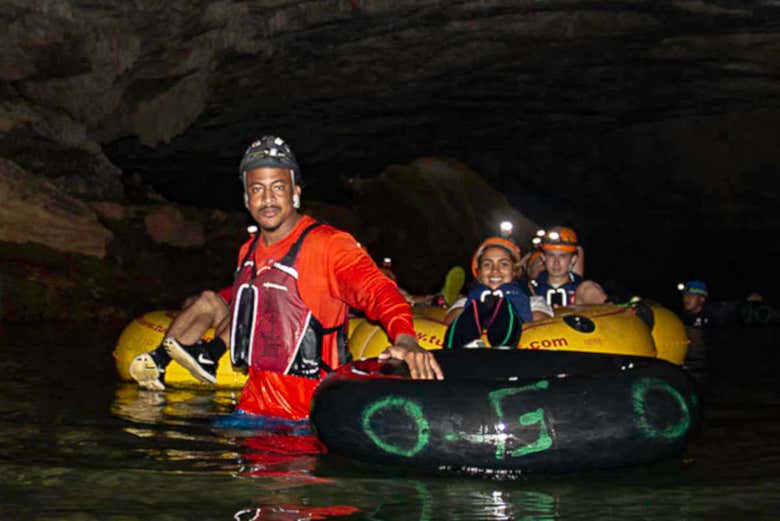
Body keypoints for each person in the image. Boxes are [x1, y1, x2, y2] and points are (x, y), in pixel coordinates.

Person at [222, 136, 443, 419]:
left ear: (295, 192)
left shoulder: (328, 245)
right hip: (251, 411)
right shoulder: (247, 252)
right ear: (246, 199)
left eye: (278, 187)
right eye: (257, 189)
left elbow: (379, 291)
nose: (268, 199)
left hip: (308, 418)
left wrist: (407, 339)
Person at [443, 237, 553, 348]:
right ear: (479, 272)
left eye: (504, 264)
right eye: (487, 264)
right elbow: (449, 321)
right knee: (475, 308)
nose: (495, 270)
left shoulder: (534, 302)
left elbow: (543, 324)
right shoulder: (465, 301)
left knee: (504, 306)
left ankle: (504, 343)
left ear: (514, 271)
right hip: (470, 354)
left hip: (517, 357)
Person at [129, 288, 232, 390]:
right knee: (207, 298)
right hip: (227, 319)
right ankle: (160, 358)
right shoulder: (242, 277)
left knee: (245, 307)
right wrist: (195, 305)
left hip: (241, 324)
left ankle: (211, 353)